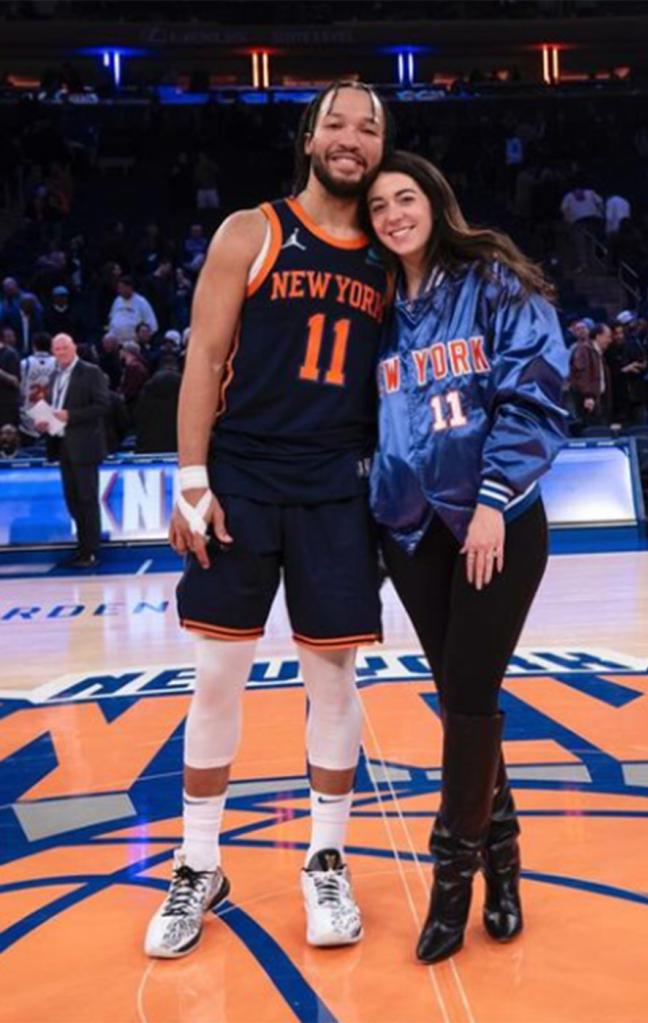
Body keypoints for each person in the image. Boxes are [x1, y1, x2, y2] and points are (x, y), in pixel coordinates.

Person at [144, 80, 391, 960]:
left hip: (337, 488)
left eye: (369, 128)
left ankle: (326, 855)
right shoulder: (252, 229)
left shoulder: (387, 254)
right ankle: (198, 862)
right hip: (242, 480)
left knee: (333, 684)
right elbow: (204, 356)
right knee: (216, 681)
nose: (352, 138)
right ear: (309, 137)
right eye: (337, 124)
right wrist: (189, 478)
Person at [365, 151, 567, 964]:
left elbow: (535, 388)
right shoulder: (372, 306)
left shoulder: (489, 279)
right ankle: (505, 862)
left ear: (434, 200)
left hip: (495, 522)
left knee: (471, 693)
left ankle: (451, 880)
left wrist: (492, 499)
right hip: (410, 531)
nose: (391, 214)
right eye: (377, 205)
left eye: (405, 197)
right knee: (463, 701)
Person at [35, 333, 110, 568]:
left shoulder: (91, 372)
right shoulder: (54, 374)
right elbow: (55, 406)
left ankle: (92, 551)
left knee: (87, 499)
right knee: (73, 499)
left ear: (74, 347)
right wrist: (45, 420)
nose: (60, 353)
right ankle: (82, 547)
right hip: (62, 444)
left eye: (64, 348)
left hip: (85, 445)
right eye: (56, 349)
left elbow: (103, 405)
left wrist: (71, 416)